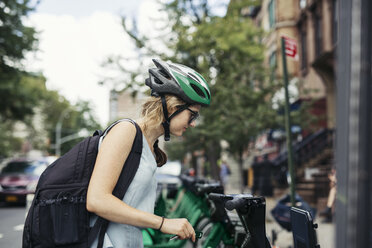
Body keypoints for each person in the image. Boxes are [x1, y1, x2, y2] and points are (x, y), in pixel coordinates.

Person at [86, 59, 211, 247]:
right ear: (173, 107)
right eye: (192, 114)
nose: (193, 123)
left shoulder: (150, 146)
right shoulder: (126, 131)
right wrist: (162, 223)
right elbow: (96, 200)